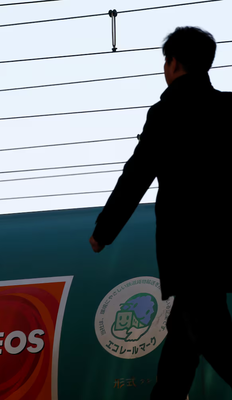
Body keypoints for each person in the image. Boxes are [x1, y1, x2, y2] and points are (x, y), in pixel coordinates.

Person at [89, 27, 232, 399]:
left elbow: (136, 175)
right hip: (224, 244)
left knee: (209, 335)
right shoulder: (229, 108)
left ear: (174, 63)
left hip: (187, 248)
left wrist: (104, 231)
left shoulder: (167, 113)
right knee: (182, 343)